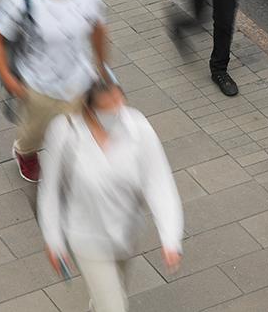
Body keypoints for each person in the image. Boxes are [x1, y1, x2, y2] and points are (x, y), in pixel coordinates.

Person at [38, 79, 183, 312]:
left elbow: (159, 183)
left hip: (125, 234)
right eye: (108, 108)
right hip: (87, 238)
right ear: (90, 110)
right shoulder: (65, 133)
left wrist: (170, 238)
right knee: (115, 307)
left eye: (119, 102)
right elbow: (50, 191)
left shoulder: (137, 127)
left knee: (113, 295)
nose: (117, 111)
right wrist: (53, 240)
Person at [0, 0, 107, 182]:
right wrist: (7, 78)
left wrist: (101, 66)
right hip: (38, 85)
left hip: (77, 80)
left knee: (75, 131)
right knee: (33, 132)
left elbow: (98, 29)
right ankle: (24, 151)